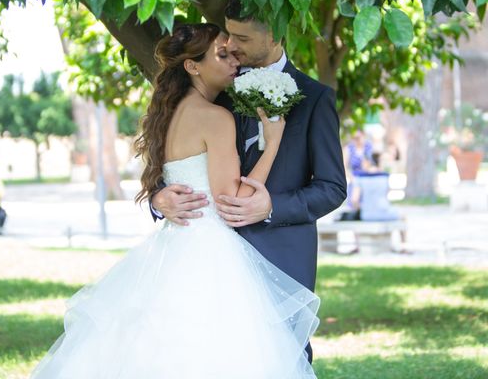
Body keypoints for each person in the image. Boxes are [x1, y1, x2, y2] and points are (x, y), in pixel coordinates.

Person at [31, 24, 320, 378]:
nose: (234, 62)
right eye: (222, 54)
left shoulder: (170, 114)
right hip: (211, 251)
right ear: (192, 66)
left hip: (176, 246)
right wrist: (272, 143)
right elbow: (231, 201)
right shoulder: (215, 117)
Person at [150, 0, 347, 363]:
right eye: (229, 38)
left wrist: (271, 206)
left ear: (274, 34)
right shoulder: (213, 87)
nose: (231, 46)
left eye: (241, 37)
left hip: (283, 256)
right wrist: (159, 198)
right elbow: (178, 156)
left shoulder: (316, 99)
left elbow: (333, 188)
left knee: (281, 360)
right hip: (207, 259)